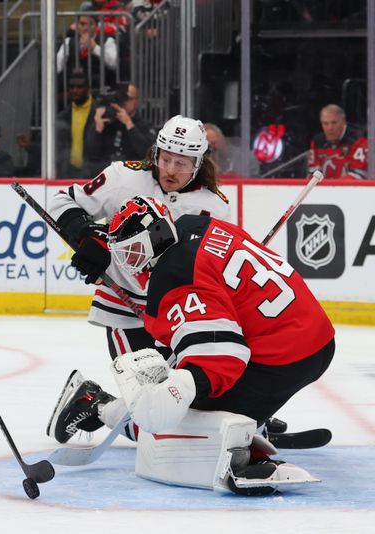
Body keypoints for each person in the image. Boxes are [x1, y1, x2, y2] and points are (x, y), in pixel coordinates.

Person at [49, 195, 335, 495]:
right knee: (183, 400)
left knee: (166, 420)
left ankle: (98, 405)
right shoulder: (197, 224)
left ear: (156, 236)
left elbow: (222, 357)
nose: (130, 264)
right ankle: (247, 426)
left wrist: (178, 389)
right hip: (314, 338)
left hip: (282, 356)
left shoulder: (175, 276)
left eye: (133, 252)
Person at [44, 115, 229, 439]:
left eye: (181, 163)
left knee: (183, 407)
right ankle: (94, 402)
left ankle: (243, 415)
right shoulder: (123, 177)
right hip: (125, 308)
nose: (170, 169)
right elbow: (62, 200)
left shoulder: (215, 206)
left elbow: (218, 264)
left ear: (199, 163)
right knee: (154, 427)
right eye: (165, 158)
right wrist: (86, 235)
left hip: (178, 315)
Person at [85, 82, 156, 164]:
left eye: (127, 98)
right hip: (108, 172)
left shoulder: (145, 125)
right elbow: (90, 156)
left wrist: (129, 125)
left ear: (137, 101)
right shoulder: (106, 122)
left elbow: (148, 154)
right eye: (121, 98)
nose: (124, 102)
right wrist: (97, 130)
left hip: (133, 173)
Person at [56, 69, 101, 178]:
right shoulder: (63, 115)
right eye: (71, 87)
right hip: (68, 172)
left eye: (79, 87)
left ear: (87, 88)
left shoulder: (100, 112)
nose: (74, 90)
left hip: (92, 172)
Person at [55, 13, 118, 88]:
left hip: (100, 87)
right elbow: (57, 67)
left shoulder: (107, 41)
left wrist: (94, 47)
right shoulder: (68, 42)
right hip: (73, 89)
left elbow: (113, 64)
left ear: (96, 26)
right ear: (77, 26)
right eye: (82, 24)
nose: (85, 28)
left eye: (90, 24)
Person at [307, 104, 368, 179]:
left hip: (350, 189)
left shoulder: (358, 140)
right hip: (326, 189)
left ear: (343, 122)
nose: (330, 128)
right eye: (325, 123)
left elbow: (358, 175)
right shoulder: (317, 142)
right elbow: (312, 173)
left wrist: (334, 187)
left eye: (334, 123)